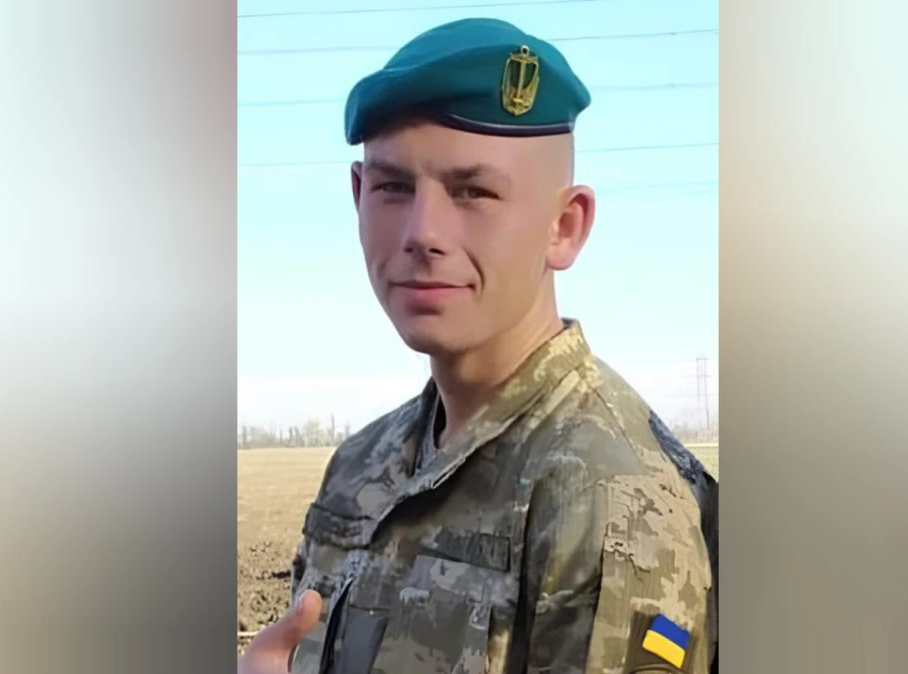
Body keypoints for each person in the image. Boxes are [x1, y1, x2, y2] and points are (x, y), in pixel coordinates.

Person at [239, 17, 717, 674]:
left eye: (473, 192)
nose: (422, 232)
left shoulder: (608, 500)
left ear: (564, 227)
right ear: (357, 197)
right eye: (392, 187)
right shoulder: (360, 467)